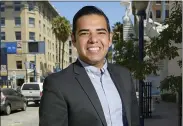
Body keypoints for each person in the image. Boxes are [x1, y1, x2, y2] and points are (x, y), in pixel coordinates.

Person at [39, 6, 139, 126]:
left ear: (110, 38)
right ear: (74, 39)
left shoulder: (124, 75)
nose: (93, 39)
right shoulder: (57, 84)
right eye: (85, 33)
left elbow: (133, 120)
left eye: (100, 32)